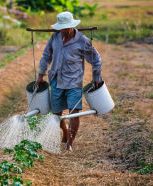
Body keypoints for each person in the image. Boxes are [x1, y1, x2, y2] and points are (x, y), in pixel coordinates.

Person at [36, 11, 103, 151]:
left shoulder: (82, 41)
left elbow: (96, 59)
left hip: (74, 82)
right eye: (60, 28)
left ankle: (69, 143)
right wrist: (41, 74)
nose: (62, 30)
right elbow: (46, 56)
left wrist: (96, 77)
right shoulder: (54, 37)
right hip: (56, 80)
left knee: (74, 112)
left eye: (65, 28)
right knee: (56, 113)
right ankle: (65, 132)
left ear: (71, 27)